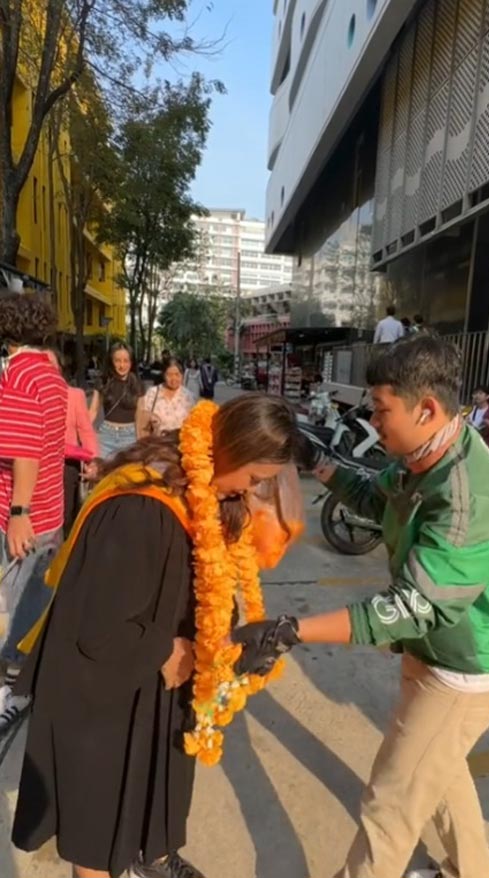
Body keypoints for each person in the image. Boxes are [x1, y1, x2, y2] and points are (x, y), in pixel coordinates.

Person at [233, 337, 489, 878]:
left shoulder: (467, 499)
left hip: (462, 672)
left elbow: (411, 607)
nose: (373, 420)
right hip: (434, 653)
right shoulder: (424, 456)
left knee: (390, 805)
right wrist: (317, 460)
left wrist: (290, 630)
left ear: (427, 409)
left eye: (381, 409)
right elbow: (376, 499)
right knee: (439, 777)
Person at [12, 393, 303, 878]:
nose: (249, 492)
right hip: (104, 696)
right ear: (229, 449)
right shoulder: (141, 506)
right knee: (98, 832)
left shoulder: (201, 491)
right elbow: (96, 625)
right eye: (254, 479)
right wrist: (166, 649)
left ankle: (151, 854)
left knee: (135, 809)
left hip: (148, 688)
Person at [0, 294, 67, 729]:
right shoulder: (49, 372)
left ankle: (13, 691)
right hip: (50, 511)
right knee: (33, 605)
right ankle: (22, 683)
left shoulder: (20, 374)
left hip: (25, 515)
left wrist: (18, 513)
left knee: (13, 610)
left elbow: (25, 452)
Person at [46, 350, 99, 533]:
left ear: (60, 368)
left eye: (50, 364)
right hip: (37, 466)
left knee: (66, 518)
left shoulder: (75, 395)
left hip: (66, 466)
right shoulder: (27, 395)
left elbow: (86, 430)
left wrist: (93, 462)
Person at [89, 342, 144, 458]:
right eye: (117, 361)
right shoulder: (102, 382)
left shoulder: (138, 384)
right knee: (102, 468)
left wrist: (140, 440)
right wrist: (85, 432)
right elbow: (93, 410)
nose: (122, 365)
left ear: (131, 362)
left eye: (126, 361)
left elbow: (140, 415)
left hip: (130, 436)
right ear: (111, 362)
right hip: (106, 435)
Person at [143, 358, 195, 435]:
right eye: (169, 375)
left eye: (177, 374)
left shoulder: (189, 397)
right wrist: (151, 418)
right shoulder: (152, 393)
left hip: (182, 440)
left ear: (182, 375)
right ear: (164, 375)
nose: (173, 379)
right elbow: (143, 417)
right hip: (158, 441)